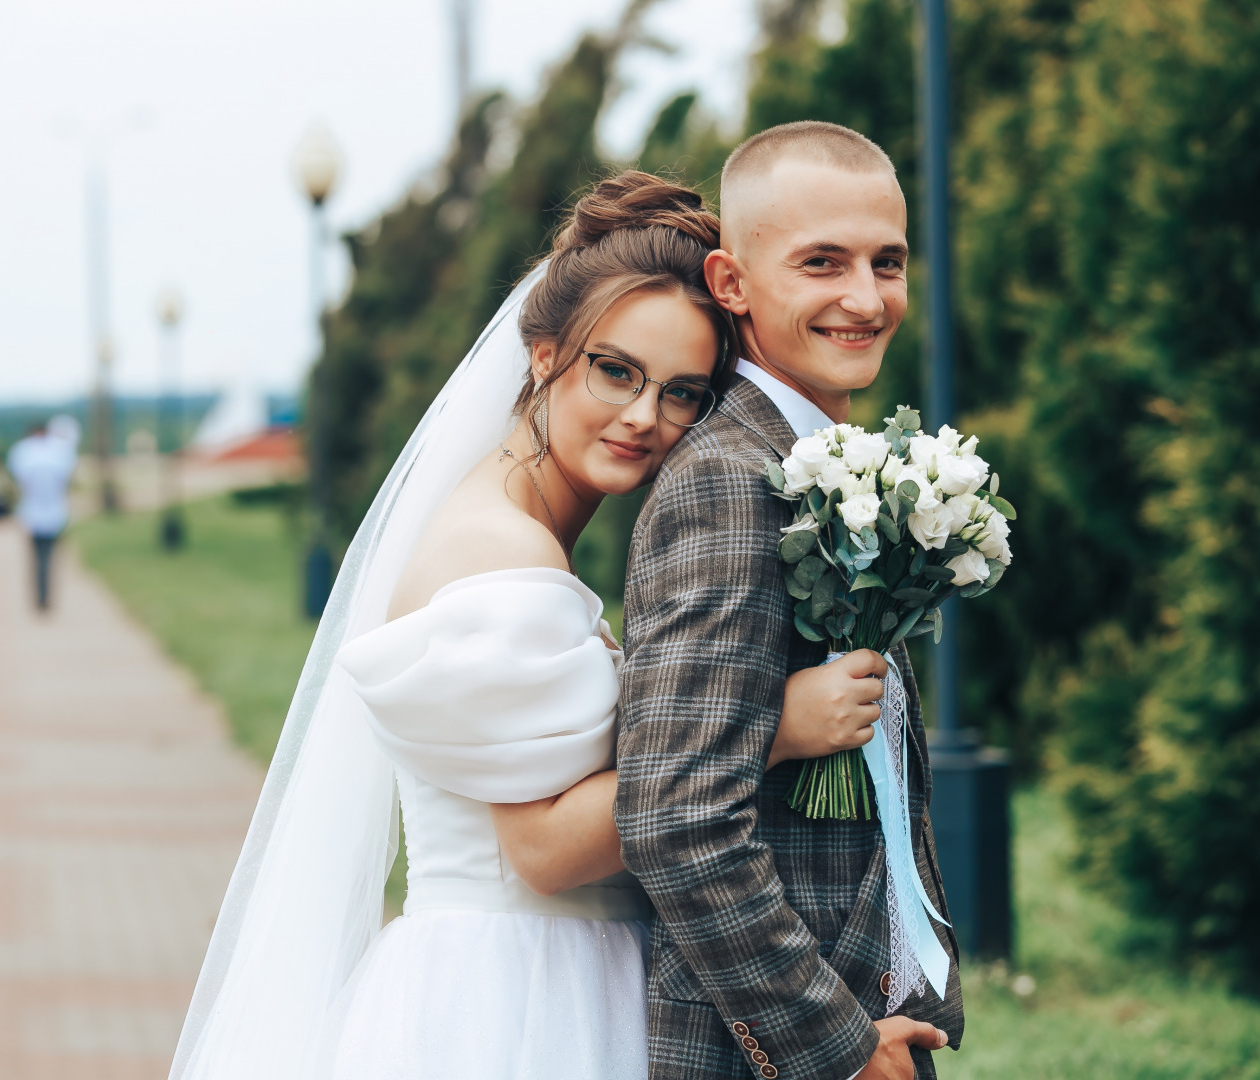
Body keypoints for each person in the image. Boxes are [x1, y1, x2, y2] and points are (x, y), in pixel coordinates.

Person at [166, 172, 888, 1080]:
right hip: (517, 1000)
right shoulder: (502, 562)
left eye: (682, 394)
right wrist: (775, 726)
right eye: (616, 371)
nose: (644, 418)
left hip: (535, 971)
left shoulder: (523, 531)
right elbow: (545, 851)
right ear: (544, 353)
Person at [615, 121, 965, 1080]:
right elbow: (677, 818)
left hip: (870, 1007)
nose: (866, 297)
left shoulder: (818, 463)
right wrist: (836, 1050)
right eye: (822, 263)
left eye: (886, 262)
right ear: (732, 285)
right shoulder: (730, 479)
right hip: (768, 1050)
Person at [5, 418, 77, 611]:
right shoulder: (55, 453)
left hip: (44, 514)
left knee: (43, 559)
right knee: (42, 559)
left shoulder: (25, 452)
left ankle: (42, 596)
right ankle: (42, 596)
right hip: (42, 514)